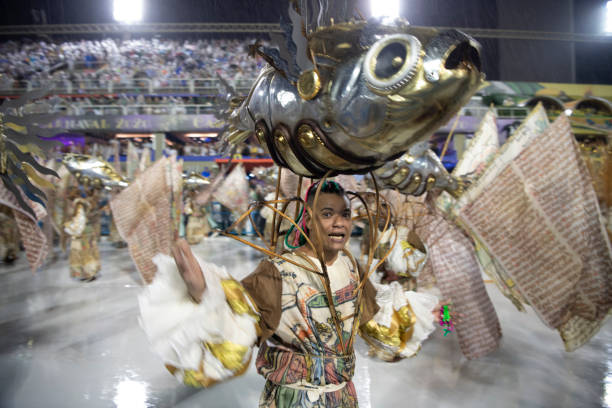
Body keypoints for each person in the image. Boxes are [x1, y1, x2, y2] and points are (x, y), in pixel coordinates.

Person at [139, 180, 451, 407]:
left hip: (342, 395)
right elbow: (242, 316)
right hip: (293, 398)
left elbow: (376, 322)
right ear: (307, 219)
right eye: (327, 214)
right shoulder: (277, 270)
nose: (339, 223)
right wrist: (203, 291)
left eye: (344, 214)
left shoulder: (351, 266)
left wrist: (426, 314)